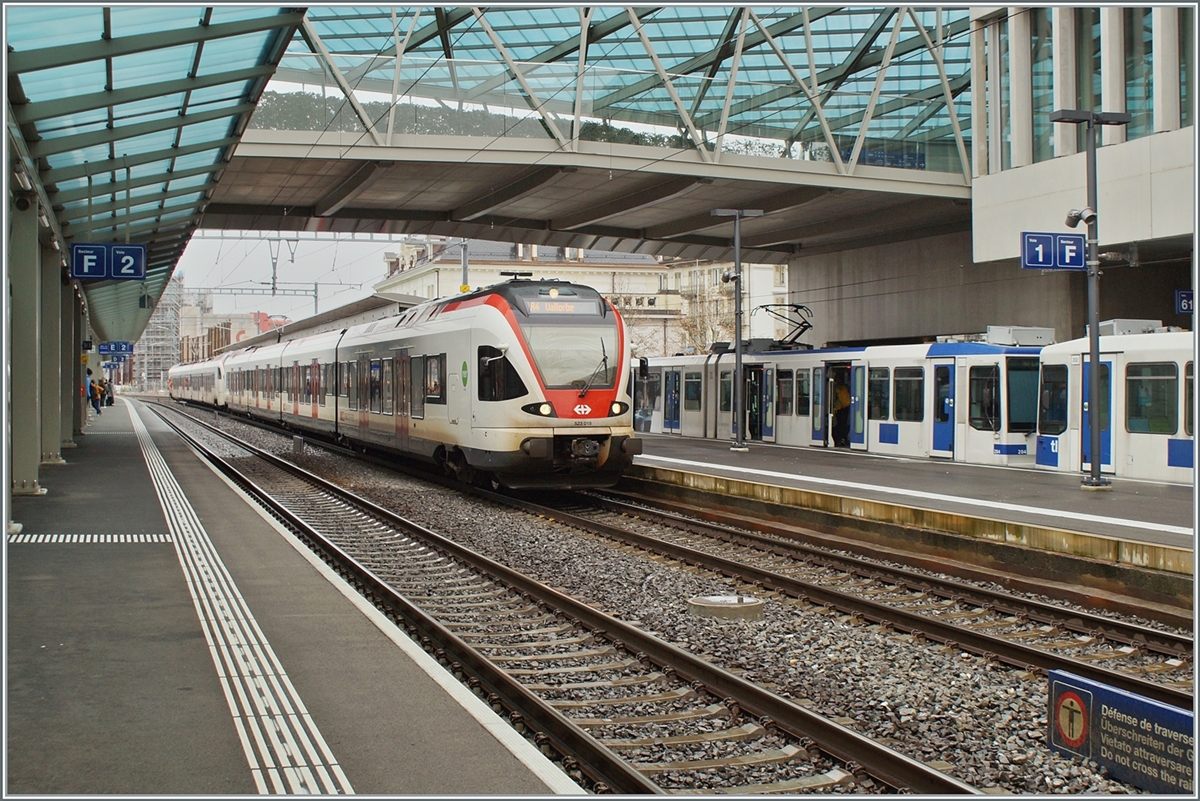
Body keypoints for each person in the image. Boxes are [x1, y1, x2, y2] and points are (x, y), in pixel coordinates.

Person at [831, 376, 851, 447]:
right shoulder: (846, 387)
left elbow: (833, 398)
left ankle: (840, 439)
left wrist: (835, 407)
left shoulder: (835, 387)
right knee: (844, 423)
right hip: (846, 407)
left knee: (839, 424)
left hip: (839, 409)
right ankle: (843, 438)